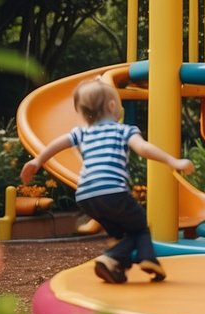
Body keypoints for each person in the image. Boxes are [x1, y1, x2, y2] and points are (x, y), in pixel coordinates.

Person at [20, 76, 193, 284]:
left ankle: (118, 265)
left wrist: (37, 161)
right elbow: (144, 148)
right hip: (112, 191)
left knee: (128, 234)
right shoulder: (123, 130)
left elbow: (59, 143)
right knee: (140, 228)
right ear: (113, 106)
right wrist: (173, 161)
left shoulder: (82, 133)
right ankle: (136, 257)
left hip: (85, 196)